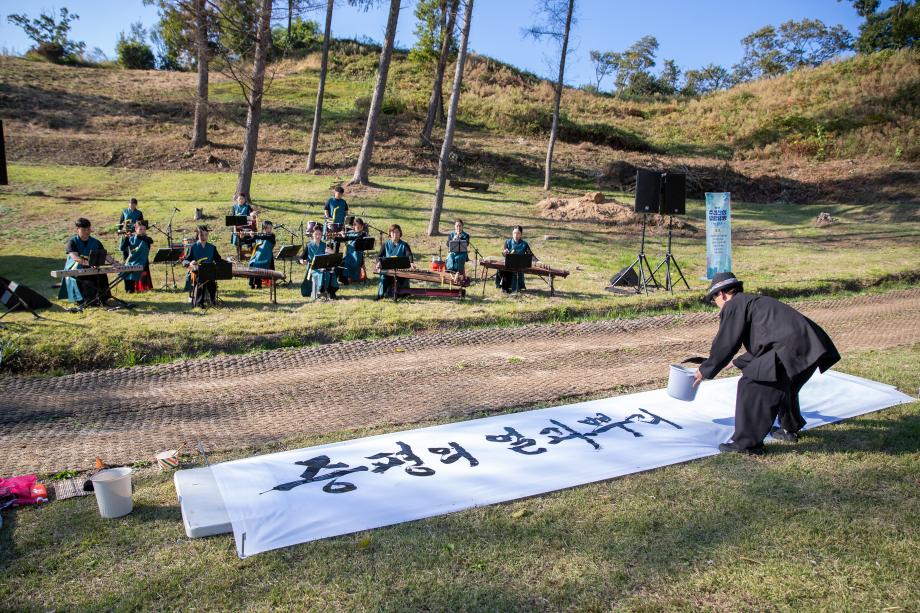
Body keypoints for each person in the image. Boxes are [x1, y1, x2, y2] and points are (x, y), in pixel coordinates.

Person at [693, 272, 841, 455]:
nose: (716, 304)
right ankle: (788, 429)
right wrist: (736, 362)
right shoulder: (755, 303)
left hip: (788, 349)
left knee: (752, 384)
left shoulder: (734, 304)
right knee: (785, 385)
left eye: (713, 298)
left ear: (722, 294)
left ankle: (747, 444)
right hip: (812, 347)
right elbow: (764, 344)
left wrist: (705, 369)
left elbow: (726, 342)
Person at [59, 217, 117, 306]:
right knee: (87, 280)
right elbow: (75, 257)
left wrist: (114, 262)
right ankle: (88, 301)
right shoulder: (72, 242)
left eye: (88, 229)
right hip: (76, 269)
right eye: (84, 229)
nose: (87, 231)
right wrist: (89, 264)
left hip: (91, 267)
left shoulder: (95, 242)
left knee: (102, 276)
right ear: (78, 229)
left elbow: (104, 254)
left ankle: (103, 298)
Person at [183, 225, 224, 307]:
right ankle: (199, 302)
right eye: (201, 235)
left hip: (209, 271)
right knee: (201, 281)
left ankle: (212, 301)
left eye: (205, 234)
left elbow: (218, 260)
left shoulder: (212, 247)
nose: (203, 237)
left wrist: (228, 263)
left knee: (212, 283)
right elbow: (185, 261)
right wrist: (190, 263)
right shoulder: (193, 247)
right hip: (197, 271)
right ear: (198, 235)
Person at [376, 224, 414, 300]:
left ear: (400, 233)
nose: (395, 235)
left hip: (400, 270)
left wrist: (411, 262)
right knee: (384, 277)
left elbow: (409, 255)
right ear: (390, 233)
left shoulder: (404, 245)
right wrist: (378, 262)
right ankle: (380, 295)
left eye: (397, 232)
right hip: (388, 270)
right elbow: (379, 256)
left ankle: (403, 294)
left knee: (404, 277)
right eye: (393, 232)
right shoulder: (385, 244)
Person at [300, 225, 338, 300]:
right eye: (316, 234)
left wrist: (332, 252)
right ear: (312, 235)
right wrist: (302, 261)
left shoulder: (324, 245)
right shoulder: (309, 245)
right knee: (322, 273)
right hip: (313, 268)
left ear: (322, 235)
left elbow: (332, 257)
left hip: (323, 266)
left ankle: (331, 292)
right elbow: (301, 257)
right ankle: (321, 290)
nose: (317, 236)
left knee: (331, 272)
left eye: (319, 234)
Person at [497, 225, 534, 293]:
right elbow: (504, 254)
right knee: (500, 268)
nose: (516, 235)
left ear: (521, 234)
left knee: (510, 270)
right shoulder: (508, 242)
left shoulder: (524, 244)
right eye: (514, 233)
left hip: (519, 265)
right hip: (508, 264)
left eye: (518, 233)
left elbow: (531, 255)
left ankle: (507, 287)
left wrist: (539, 262)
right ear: (512, 233)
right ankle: (505, 287)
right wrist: (504, 252)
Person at [123, 219, 154, 293]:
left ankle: (143, 287)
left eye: (144, 229)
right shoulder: (131, 238)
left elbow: (149, 240)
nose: (142, 231)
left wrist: (136, 236)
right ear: (136, 229)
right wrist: (126, 238)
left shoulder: (146, 239)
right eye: (140, 229)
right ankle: (130, 288)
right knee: (128, 267)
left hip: (143, 261)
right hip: (133, 261)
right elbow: (123, 248)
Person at [246, 220, 276, 289]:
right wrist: (243, 237)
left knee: (258, 264)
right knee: (252, 263)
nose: (270, 230)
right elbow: (248, 241)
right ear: (264, 228)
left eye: (271, 228)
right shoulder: (259, 235)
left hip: (267, 258)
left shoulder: (272, 236)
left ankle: (258, 284)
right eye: (268, 228)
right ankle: (252, 284)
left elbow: (265, 237)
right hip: (257, 256)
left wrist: (255, 236)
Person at [341, 217, 369, 283]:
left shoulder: (363, 234)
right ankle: (348, 278)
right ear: (354, 226)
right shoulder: (350, 232)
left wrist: (346, 236)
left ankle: (355, 278)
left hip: (358, 255)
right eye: (357, 226)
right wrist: (340, 235)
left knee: (355, 262)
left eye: (360, 226)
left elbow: (355, 237)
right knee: (345, 261)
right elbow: (343, 239)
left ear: (362, 226)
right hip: (349, 254)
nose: (359, 228)